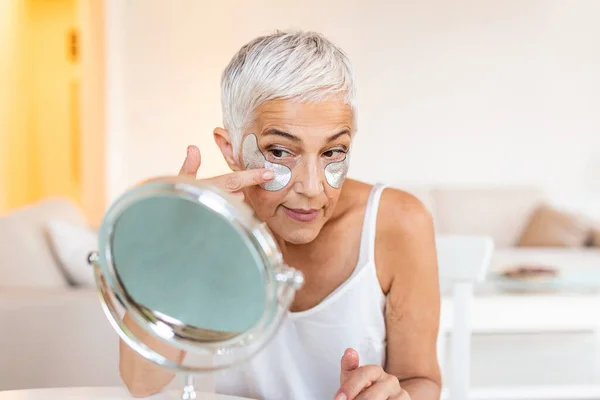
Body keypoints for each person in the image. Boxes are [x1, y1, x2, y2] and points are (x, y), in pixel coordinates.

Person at [120, 30, 441, 400]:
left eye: (332, 152)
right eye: (279, 151)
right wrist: (174, 245)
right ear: (230, 149)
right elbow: (141, 383)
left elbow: (422, 381)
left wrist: (396, 396)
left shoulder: (398, 222)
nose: (312, 187)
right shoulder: (210, 229)